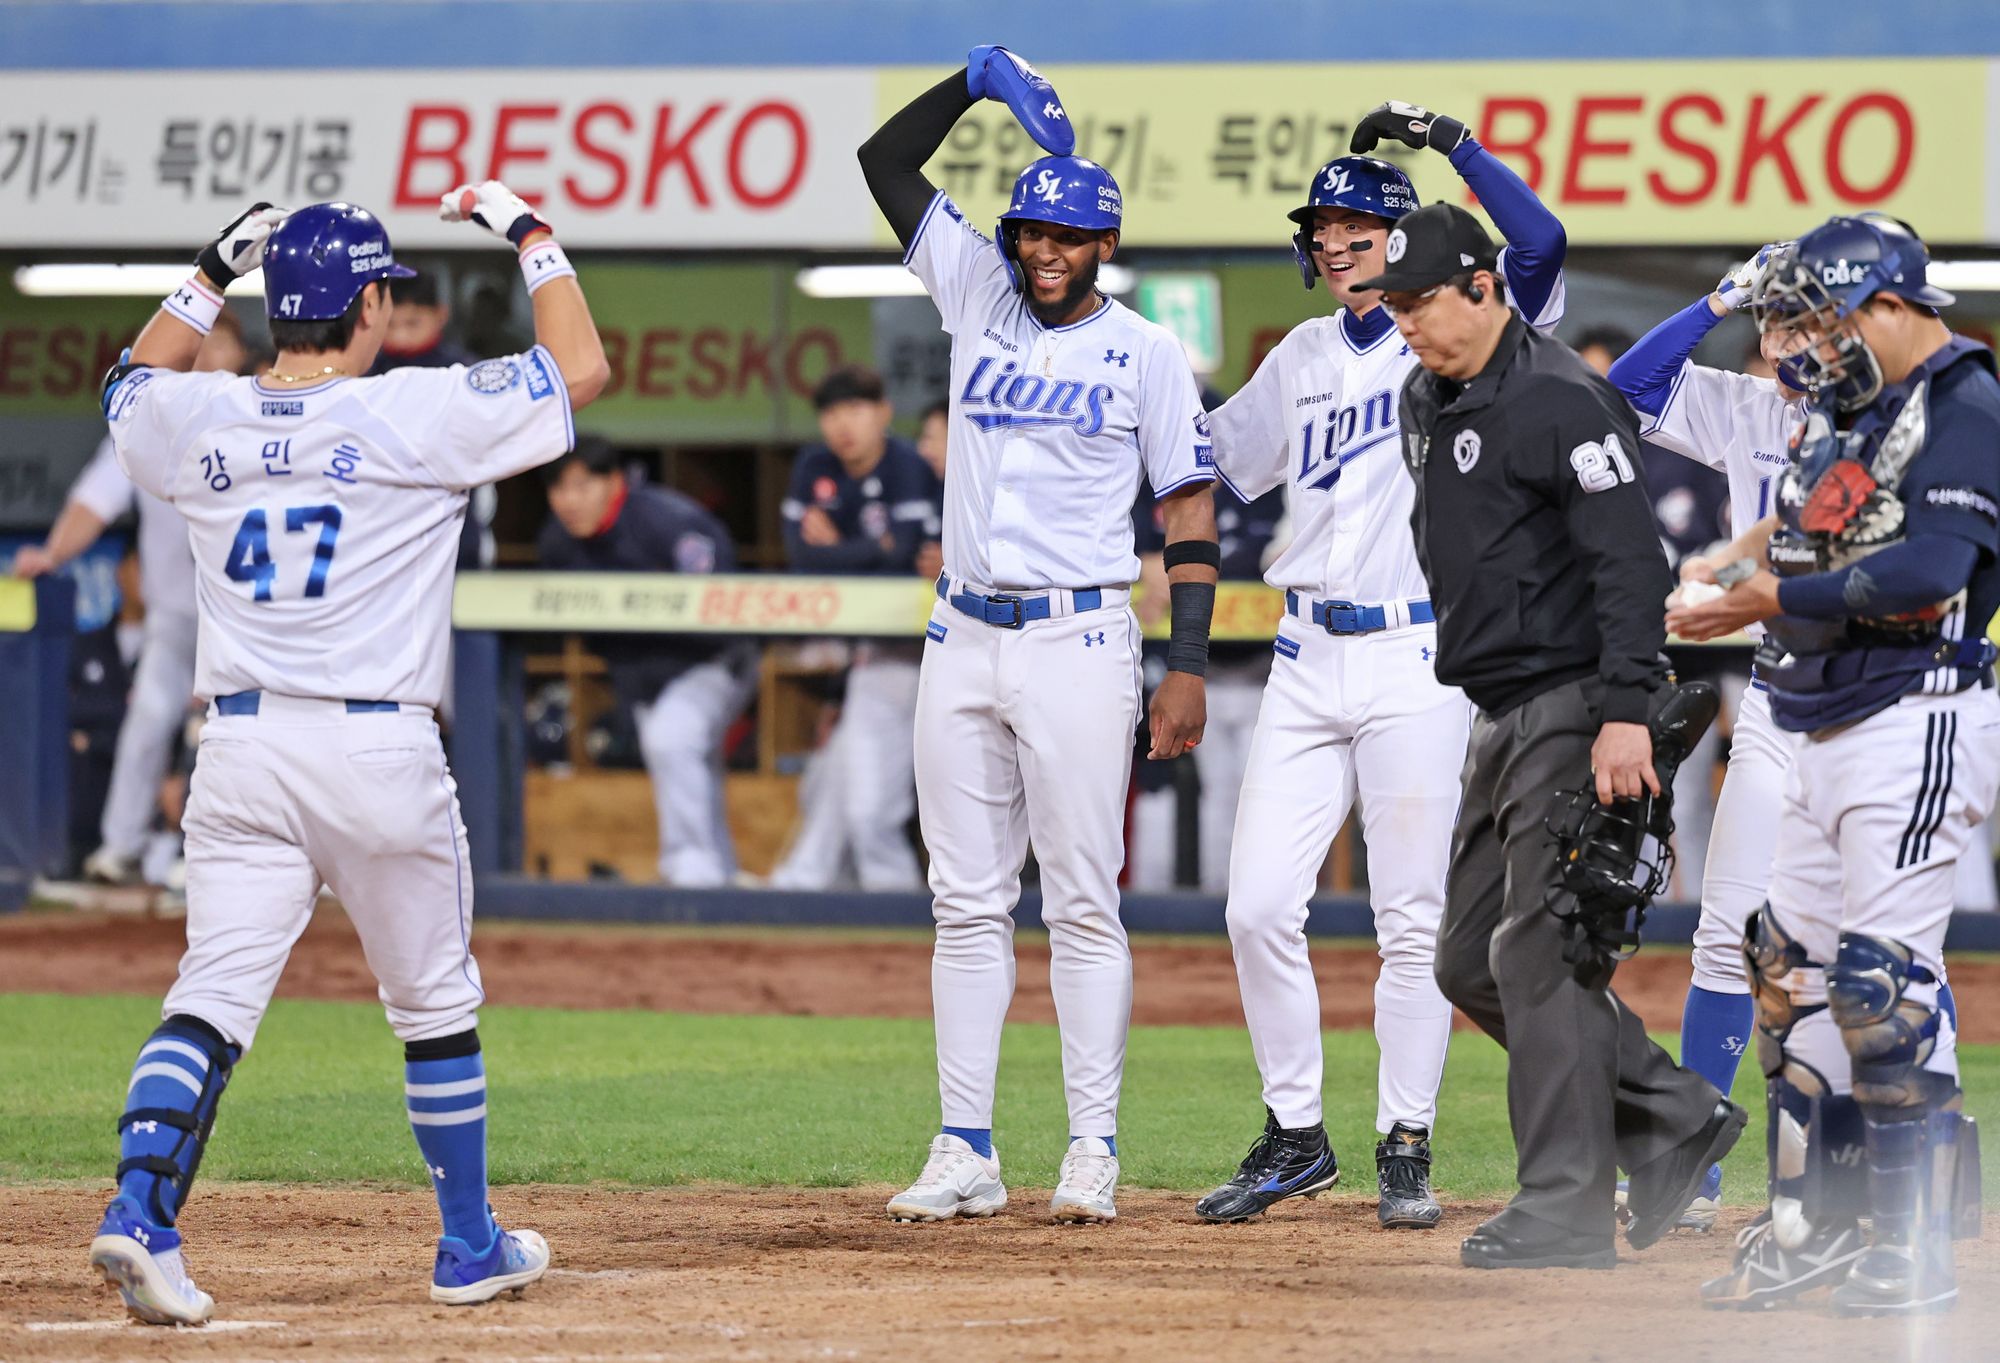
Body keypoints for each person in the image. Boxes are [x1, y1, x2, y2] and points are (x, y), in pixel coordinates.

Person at [85, 186, 608, 1325]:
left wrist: (204, 271)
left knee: (211, 996)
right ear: (370, 303)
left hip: (241, 745)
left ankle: (138, 1214)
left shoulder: (202, 412)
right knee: (431, 1001)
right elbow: (579, 369)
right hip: (375, 749)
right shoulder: (416, 410)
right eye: (386, 293)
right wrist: (529, 235)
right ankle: (467, 1243)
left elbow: (125, 385)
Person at [1193, 104, 1571, 1230]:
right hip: (1305, 651)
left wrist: (1450, 144)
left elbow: (1541, 245)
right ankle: (1295, 1133)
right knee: (1256, 904)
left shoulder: (1462, 339)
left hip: (1419, 650)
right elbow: (1211, 459)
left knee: (1410, 918)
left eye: (1362, 220)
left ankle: (1404, 1137)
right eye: (1325, 225)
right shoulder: (1298, 356)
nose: (1341, 237)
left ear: (1409, 241)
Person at [859, 45, 1218, 1224]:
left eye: (1066, 238)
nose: (1044, 253)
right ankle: (964, 1144)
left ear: (1103, 247)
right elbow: (881, 158)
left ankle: (1091, 1146)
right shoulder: (975, 290)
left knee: (1079, 898)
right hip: (960, 631)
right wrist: (975, 81)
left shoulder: (1147, 352)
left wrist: (1186, 663)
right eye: (1031, 233)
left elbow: (1187, 513)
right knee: (962, 900)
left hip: (1076, 638)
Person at [1362, 200, 1746, 1269]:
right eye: (1390, 304)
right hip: (1495, 708)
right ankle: (1671, 1115)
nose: (1403, 323)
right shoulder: (1424, 395)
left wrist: (1626, 708)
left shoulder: (1559, 400)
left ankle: (1564, 1207)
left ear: (1482, 286)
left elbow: (1629, 562)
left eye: (1419, 301)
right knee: (1463, 959)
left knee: (1538, 948)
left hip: (1574, 703)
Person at [1669, 216, 1999, 1314]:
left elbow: (1930, 568)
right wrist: (1733, 567)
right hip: (1809, 708)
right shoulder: (1849, 414)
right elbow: (1799, 526)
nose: (1810, 339)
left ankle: (1913, 1244)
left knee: (1879, 988)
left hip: (1914, 708)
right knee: (1784, 973)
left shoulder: (1964, 404)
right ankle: (1809, 1223)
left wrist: (1767, 597)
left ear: (1890, 305)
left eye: (1826, 315)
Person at [1607, 245, 1815, 1233]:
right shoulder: (1746, 404)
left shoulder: (1898, 418)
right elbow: (1628, 385)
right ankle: (1691, 1164)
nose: (1788, 341)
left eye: (1804, 319)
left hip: (1878, 699)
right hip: (1776, 696)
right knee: (1727, 940)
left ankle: (1859, 1164)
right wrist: (1716, 300)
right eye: (1774, 324)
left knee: (1868, 950)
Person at [12, 312, 248, 887]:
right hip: (178, 613)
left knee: (243, 732)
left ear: (242, 354)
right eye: (202, 339)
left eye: (223, 341)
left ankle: (234, 857)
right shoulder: (152, 425)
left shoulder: (261, 413)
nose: (210, 352)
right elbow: (95, 498)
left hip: (252, 619)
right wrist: (54, 553)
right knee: (148, 720)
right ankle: (120, 849)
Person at [537, 438, 753, 888]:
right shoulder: (557, 543)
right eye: (558, 489)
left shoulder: (669, 521)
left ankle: (693, 874)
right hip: (641, 676)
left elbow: (720, 603)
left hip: (713, 661)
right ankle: (721, 877)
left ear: (614, 482)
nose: (568, 501)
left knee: (672, 739)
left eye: (581, 486)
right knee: (686, 761)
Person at [767, 366, 939, 891]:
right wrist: (875, 549)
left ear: (884, 412)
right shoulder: (815, 464)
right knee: (866, 810)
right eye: (832, 412)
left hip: (955, 655)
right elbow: (799, 556)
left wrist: (837, 547)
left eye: (856, 409)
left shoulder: (908, 465)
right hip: (885, 657)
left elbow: (906, 554)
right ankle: (891, 921)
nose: (844, 424)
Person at [364, 269, 496, 571]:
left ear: (441, 314)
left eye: (413, 322)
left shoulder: (466, 374)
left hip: (455, 528)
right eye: (392, 323)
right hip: (379, 531)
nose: (400, 334)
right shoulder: (364, 373)